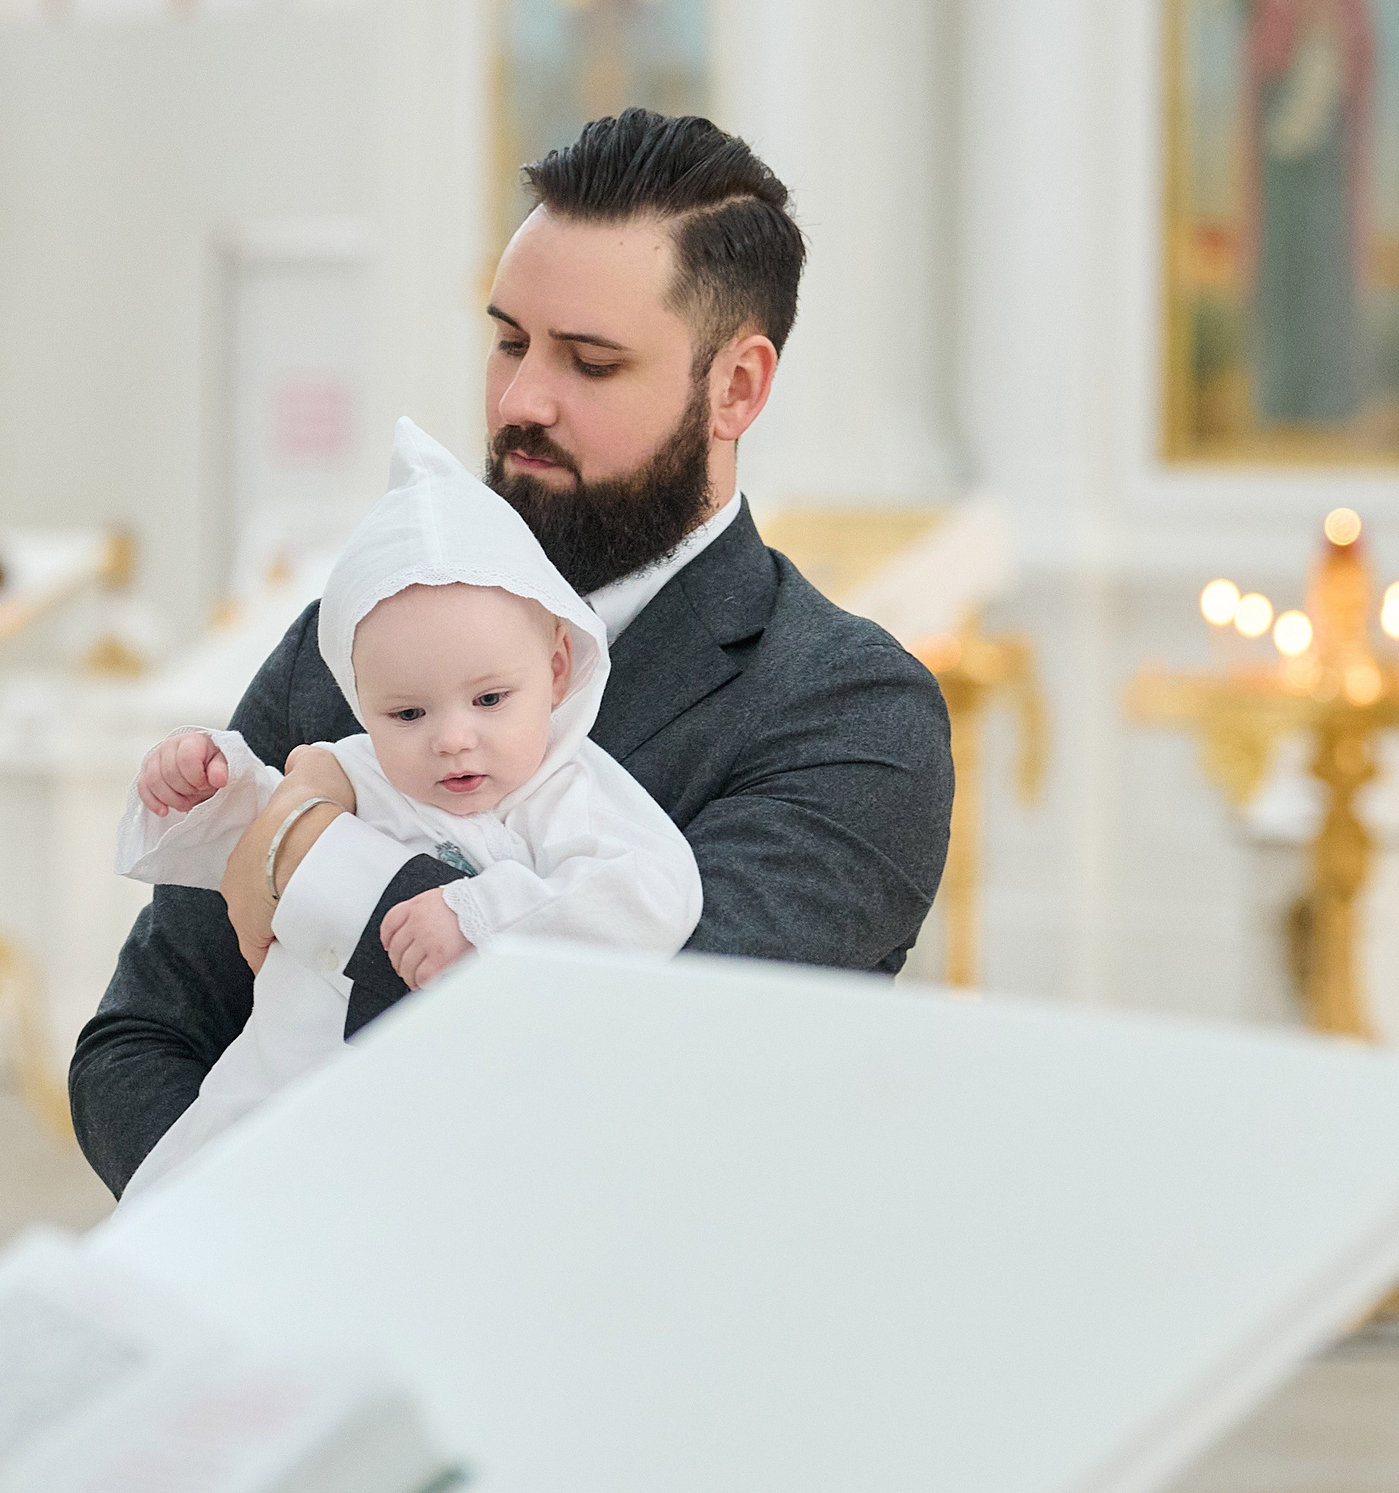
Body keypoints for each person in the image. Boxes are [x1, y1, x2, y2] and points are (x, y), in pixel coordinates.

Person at [70, 109, 957, 1198]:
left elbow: (608, 1072)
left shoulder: (846, 711)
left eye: (590, 361)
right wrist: (247, 1242)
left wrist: (302, 841)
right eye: (508, 340)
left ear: (736, 387)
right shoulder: (361, 637)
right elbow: (138, 1042)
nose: (522, 400)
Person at [114, 419, 699, 1196]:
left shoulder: (571, 793)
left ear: (557, 668)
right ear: (361, 701)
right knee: (189, 1223)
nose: (454, 740)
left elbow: (651, 893)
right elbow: (256, 833)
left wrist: (481, 915)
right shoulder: (352, 767)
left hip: (417, 1138)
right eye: (407, 714)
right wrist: (200, 781)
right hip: (264, 1098)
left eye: (490, 698)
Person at [1243, 0, 1375, 429]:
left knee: (1324, 264)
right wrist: (1288, 30)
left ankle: (1330, 395)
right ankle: (1280, 396)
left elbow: (1362, 49)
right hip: (1280, 146)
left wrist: (1333, 38)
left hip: (1326, 148)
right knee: (1284, 265)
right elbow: (1259, 56)